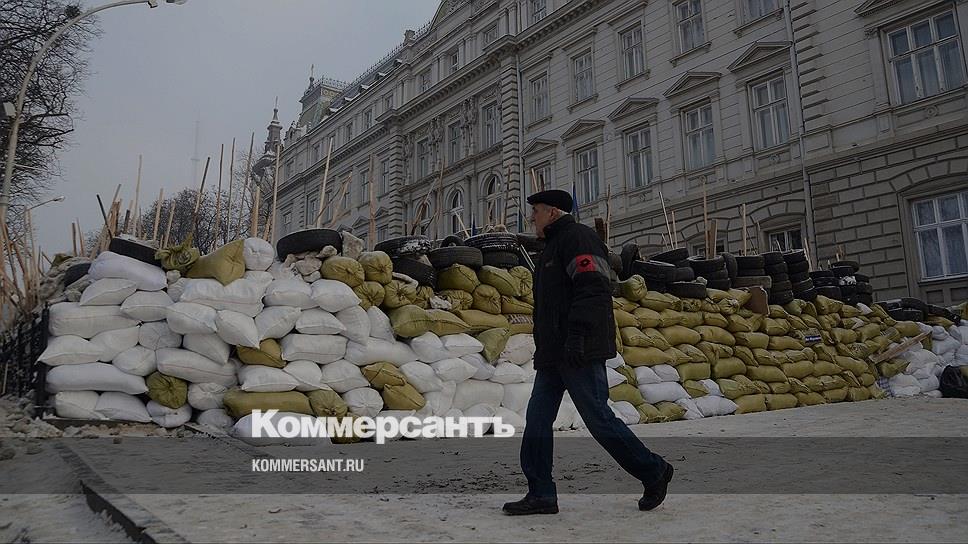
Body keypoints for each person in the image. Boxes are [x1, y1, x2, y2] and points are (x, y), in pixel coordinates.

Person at [502, 189, 674, 516]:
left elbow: (593, 288)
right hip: (554, 353)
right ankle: (541, 493)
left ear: (553, 212)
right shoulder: (552, 246)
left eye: (536, 211)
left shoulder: (579, 239)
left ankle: (653, 470)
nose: (532, 218)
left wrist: (578, 336)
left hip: (579, 349)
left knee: (598, 419)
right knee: (537, 419)